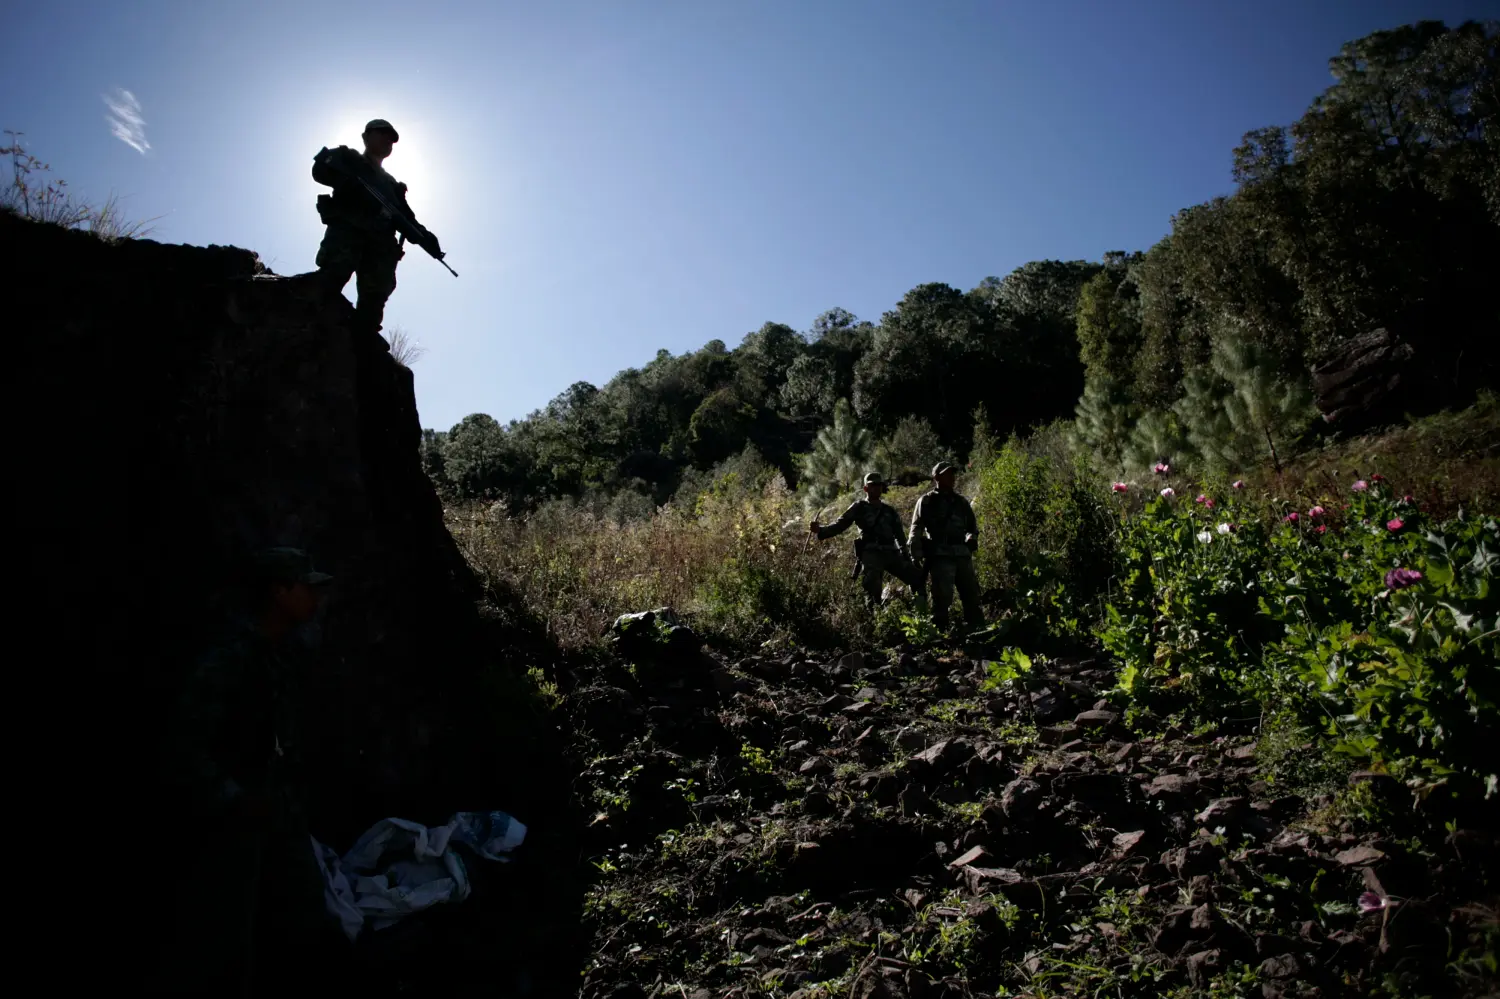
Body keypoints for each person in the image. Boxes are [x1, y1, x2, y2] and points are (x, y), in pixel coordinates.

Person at [159, 548, 339, 996]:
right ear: (279, 591)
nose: (315, 595)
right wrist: (233, 798)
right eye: (305, 585)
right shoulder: (229, 657)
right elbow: (184, 744)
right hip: (232, 826)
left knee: (298, 922)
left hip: (274, 815)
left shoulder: (274, 654)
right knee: (223, 942)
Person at [312, 118, 439, 334]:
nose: (388, 141)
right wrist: (346, 182)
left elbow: (407, 217)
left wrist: (426, 237)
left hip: (379, 247)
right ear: (366, 136)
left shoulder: (392, 185)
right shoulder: (349, 159)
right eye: (382, 134)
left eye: (391, 139)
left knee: (373, 304)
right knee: (329, 282)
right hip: (348, 234)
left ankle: (364, 345)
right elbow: (320, 169)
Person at [810, 471, 926, 609]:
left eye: (879, 485)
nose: (877, 488)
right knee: (872, 592)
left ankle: (921, 613)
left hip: (891, 552)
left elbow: (900, 535)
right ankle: (873, 622)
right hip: (871, 554)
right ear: (866, 488)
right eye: (873, 485)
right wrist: (821, 530)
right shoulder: (859, 507)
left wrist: (906, 556)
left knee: (917, 579)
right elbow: (840, 525)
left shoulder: (889, 510)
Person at [909, 461, 985, 632]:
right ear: (936, 477)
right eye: (946, 474)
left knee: (971, 595)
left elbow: (972, 527)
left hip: (962, 554)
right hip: (940, 555)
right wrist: (915, 553)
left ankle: (978, 631)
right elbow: (916, 528)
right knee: (942, 598)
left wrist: (971, 537)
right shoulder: (927, 501)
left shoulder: (961, 502)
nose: (951, 477)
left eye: (952, 473)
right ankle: (940, 635)